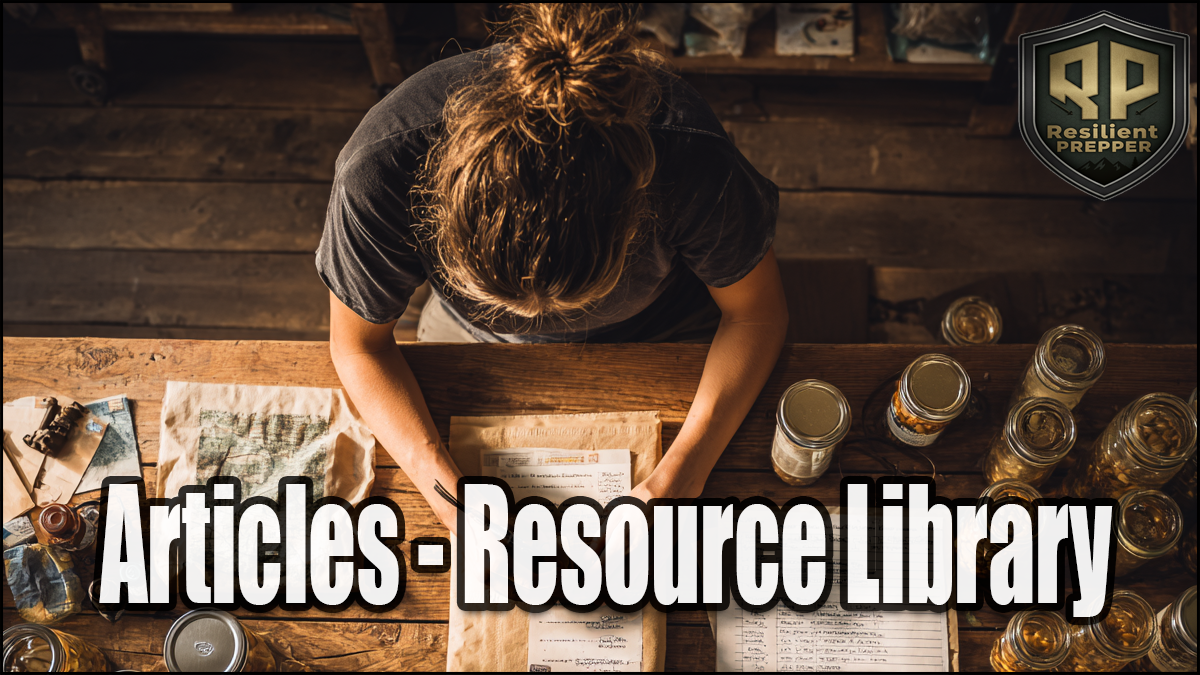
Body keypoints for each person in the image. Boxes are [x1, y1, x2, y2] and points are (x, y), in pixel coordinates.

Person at [319, 4, 787, 534]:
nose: (542, 325)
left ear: (639, 213)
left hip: (668, 328)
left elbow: (755, 315)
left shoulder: (691, 155)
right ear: (438, 213)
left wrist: (682, 474)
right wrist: (445, 494)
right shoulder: (379, 170)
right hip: (473, 336)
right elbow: (358, 346)